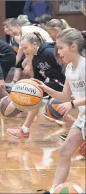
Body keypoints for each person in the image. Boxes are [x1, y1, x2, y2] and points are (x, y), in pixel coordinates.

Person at [36, 28, 85, 194]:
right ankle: (53, 190)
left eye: (60, 47)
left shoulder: (85, 65)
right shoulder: (69, 69)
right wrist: (45, 89)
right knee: (65, 151)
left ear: (73, 46)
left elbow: (70, 101)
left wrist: (72, 104)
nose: (58, 52)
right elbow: (65, 96)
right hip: (83, 118)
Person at [6, 32, 73, 139]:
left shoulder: (48, 52)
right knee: (37, 96)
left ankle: (77, 129)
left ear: (34, 44)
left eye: (25, 48)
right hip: (56, 81)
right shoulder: (35, 58)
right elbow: (38, 80)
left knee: (48, 105)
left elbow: (67, 65)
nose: (23, 51)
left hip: (65, 81)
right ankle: (25, 130)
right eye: (22, 49)